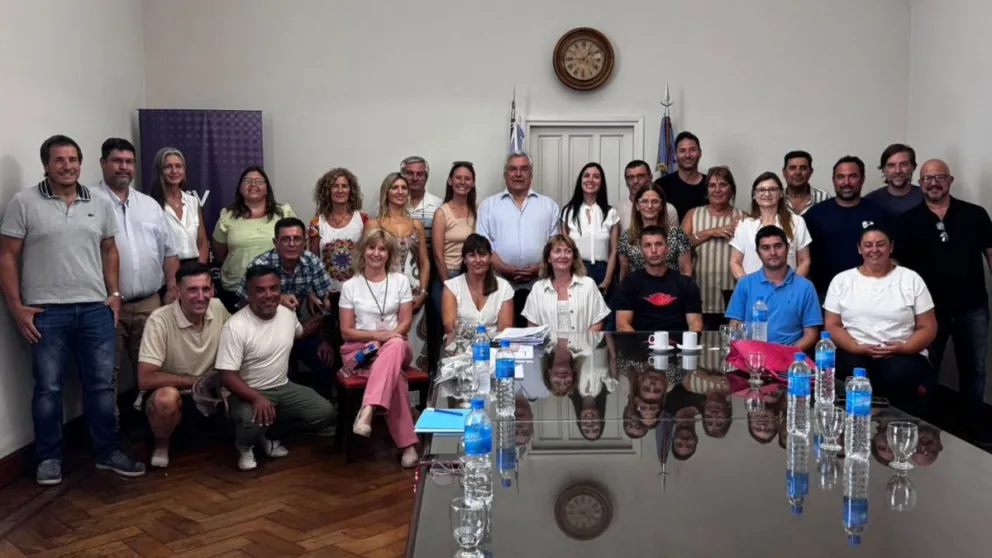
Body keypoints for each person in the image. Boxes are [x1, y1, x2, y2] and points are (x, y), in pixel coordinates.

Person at [0, 134, 145, 485]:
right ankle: (49, 458)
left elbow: (110, 250)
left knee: (101, 386)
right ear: (46, 165)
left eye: (73, 160)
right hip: (45, 312)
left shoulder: (99, 202)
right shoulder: (23, 203)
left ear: (81, 163)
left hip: (95, 309)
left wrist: (114, 293)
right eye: (59, 160)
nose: (67, 166)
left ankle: (107, 452)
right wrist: (16, 307)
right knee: (48, 388)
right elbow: (7, 255)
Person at [895, 158, 992, 442]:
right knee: (927, 366)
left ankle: (973, 424)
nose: (933, 183)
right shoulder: (908, 220)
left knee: (974, 367)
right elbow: (897, 267)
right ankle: (928, 425)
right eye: (927, 179)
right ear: (920, 183)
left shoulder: (975, 214)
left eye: (939, 177)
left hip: (972, 306)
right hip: (927, 311)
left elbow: (990, 253)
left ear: (950, 181)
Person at [216, 265, 334, 471]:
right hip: (246, 392)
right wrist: (256, 398)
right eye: (260, 290)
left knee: (325, 413)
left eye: (274, 288)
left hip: (283, 387)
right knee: (252, 420)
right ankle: (244, 446)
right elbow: (226, 375)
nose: (269, 295)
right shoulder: (235, 326)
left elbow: (299, 333)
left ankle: (270, 433)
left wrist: (322, 320)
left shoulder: (287, 314)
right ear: (249, 293)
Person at [95, 138, 180, 417]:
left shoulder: (150, 205)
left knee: (155, 368)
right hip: (105, 305)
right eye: (117, 161)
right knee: (105, 372)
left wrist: (171, 290)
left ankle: (156, 426)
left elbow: (170, 252)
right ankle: (109, 432)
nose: (124, 167)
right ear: (103, 163)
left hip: (149, 303)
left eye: (129, 162)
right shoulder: (89, 202)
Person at [823, 225, 937, 416]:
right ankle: (854, 423)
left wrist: (905, 348)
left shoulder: (911, 279)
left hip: (902, 351)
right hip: (853, 349)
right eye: (868, 245)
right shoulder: (842, 280)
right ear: (859, 248)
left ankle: (893, 425)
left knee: (897, 374)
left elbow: (928, 327)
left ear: (891, 247)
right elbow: (832, 325)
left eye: (880, 244)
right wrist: (855, 347)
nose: (874, 250)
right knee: (850, 371)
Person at [339, 229, 420, 468]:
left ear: (389, 254)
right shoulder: (350, 286)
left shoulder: (400, 281)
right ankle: (408, 446)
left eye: (382, 249)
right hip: (361, 351)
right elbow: (346, 331)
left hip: (397, 347)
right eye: (371, 247)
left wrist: (385, 340)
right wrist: (376, 337)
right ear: (363, 251)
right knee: (395, 378)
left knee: (395, 345)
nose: (376, 253)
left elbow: (406, 322)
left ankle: (369, 407)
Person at [137, 262, 231, 468]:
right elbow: (145, 379)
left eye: (205, 289)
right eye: (192, 290)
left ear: (212, 290)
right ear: (178, 292)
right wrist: (197, 381)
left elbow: (239, 341)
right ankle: (161, 445)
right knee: (165, 399)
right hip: (176, 392)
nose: (201, 296)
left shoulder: (217, 307)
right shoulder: (159, 320)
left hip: (210, 392)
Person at [238, 217, 336, 393]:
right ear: (275, 242)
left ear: (304, 242)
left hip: (298, 329)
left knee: (326, 362)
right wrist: (277, 298)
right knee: (284, 375)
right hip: (265, 332)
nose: (292, 244)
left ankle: (319, 406)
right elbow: (243, 303)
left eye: (297, 239)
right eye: (285, 239)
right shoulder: (260, 264)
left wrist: (326, 340)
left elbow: (328, 302)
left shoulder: (311, 262)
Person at [477, 152, 560, 324]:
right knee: (503, 334)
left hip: (539, 285)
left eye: (524, 169)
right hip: (499, 285)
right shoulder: (488, 206)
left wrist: (540, 267)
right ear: (505, 174)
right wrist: (503, 268)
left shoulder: (549, 206)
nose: (518, 174)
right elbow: (483, 246)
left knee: (538, 334)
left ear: (531, 174)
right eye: (512, 169)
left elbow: (556, 246)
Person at [365, 173, 431, 371]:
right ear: (386, 192)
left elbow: (424, 262)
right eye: (395, 187)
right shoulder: (374, 224)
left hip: (414, 296)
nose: (400, 192)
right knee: (389, 346)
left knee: (415, 348)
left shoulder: (416, 224)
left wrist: (423, 293)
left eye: (404, 187)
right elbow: (366, 260)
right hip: (384, 296)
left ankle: (415, 391)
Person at [803, 155, 890, 297]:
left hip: (870, 293)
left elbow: (891, 255)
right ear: (833, 180)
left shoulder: (879, 213)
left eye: (852, 176)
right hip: (825, 294)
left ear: (862, 179)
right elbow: (803, 257)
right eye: (840, 177)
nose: (846, 182)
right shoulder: (815, 214)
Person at [211, 166, 295, 312]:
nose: (253, 185)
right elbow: (219, 252)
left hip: (275, 289)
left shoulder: (283, 213)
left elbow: (297, 246)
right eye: (248, 181)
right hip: (235, 289)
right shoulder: (227, 216)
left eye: (259, 181)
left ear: (267, 188)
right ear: (240, 188)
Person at [725, 226, 822, 351]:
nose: (773, 253)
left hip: (791, 357)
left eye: (778, 246)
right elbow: (734, 327)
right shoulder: (745, 284)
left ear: (787, 248)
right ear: (758, 253)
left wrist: (783, 354)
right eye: (766, 248)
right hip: (752, 356)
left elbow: (811, 335)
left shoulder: (806, 287)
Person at [681, 166, 745, 328]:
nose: (717, 190)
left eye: (723, 185)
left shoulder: (743, 217)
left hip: (733, 296)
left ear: (732, 190)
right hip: (699, 294)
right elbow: (679, 245)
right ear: (706, 191)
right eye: (712, 185)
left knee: (731, 342)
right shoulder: (693, 214)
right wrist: (711, 232)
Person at [615, 226, 703, 332]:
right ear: (641, 250)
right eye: (647, 245)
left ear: (668, 247)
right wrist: (638, 343)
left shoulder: (687, 284)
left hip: (679, 341)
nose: (653, 250)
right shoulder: (629, 283)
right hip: (641, 341)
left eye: (659, 244)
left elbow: (695, 324)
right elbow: (622, 325)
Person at [730, 172, 811, 279]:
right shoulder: (744, 224)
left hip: (788, 287)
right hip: (753, 288)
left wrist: (793, 285)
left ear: (781, 193)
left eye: (772, 189)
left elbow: (804, 260)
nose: (767, 194)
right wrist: (747, 285)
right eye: (761, 190)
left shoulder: (797, 222)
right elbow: (735, 261)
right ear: (754, 195)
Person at [522, 235, 611, 332]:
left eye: (568, 251)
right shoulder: (538, 288)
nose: (563, 256)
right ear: (548, 258)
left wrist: (582, 340)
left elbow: (598, 322)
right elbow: (532, 325)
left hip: (584, 342)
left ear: (573, 257)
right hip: (547, 342)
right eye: (557, 251)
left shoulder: (588, 284)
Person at [560, 162, 620, 296]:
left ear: (601, 182)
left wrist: (607, 280)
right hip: (576, 270)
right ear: (580, 180)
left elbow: (614, 251)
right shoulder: (568, 212)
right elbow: (564, 248)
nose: (591, 180)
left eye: (596, 177)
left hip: (603, 272)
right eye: (586, 176)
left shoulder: (611, 213)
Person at [442, 234, 514, 340]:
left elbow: (504, 330)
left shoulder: (504, 288)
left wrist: (484, 344)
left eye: (482, 255)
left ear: (490, 258)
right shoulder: (451, 287)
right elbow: (450, 328)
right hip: (459, 345)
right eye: (472, 255)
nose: (478, 260)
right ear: (464, 259)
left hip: (493, 345)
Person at [619, 183, 692, 279]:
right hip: (638, 287)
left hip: (672, 287)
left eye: (655, 201)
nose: (650, 206)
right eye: (644, 201)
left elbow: (686, 270)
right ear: (637, 205)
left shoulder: (677, 235)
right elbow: (624, 274)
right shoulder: (627, 237)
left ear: (661, 206)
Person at [149, 147, 209, 264]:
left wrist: (198, 269)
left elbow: (202, 244)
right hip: (165, 267)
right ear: (159, 171)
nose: (174, 171)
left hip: (194, 267)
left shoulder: (193, 202)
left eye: (178, 166)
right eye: (168, 166)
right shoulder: (150, 203)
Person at [655, 131, 707, 221]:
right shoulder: (661, 185)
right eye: (682, 151)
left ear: (700, 153)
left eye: (692, 150)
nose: (688, 155)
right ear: (675, 155)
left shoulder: (711, 184)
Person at [619, 160, 677, 232]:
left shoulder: (669, 210)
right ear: (626, 181)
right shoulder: (618, 210)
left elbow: (673, 238)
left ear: (650, 177)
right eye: (631, 177)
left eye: (640, 176)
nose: (635, 181)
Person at [864, 143, 924, 215]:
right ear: (884, 169)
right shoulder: (869, 201)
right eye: (891, 165)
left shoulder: (925, 197)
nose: (898, 171)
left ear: (913, 167)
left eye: (903, 164)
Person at [782, 150, 831, 215]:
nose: (798, 172)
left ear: (811, 172)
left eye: (803, 168)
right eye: (792, 168)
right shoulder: (776, 197)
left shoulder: (824, 198)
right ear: (784, 172)